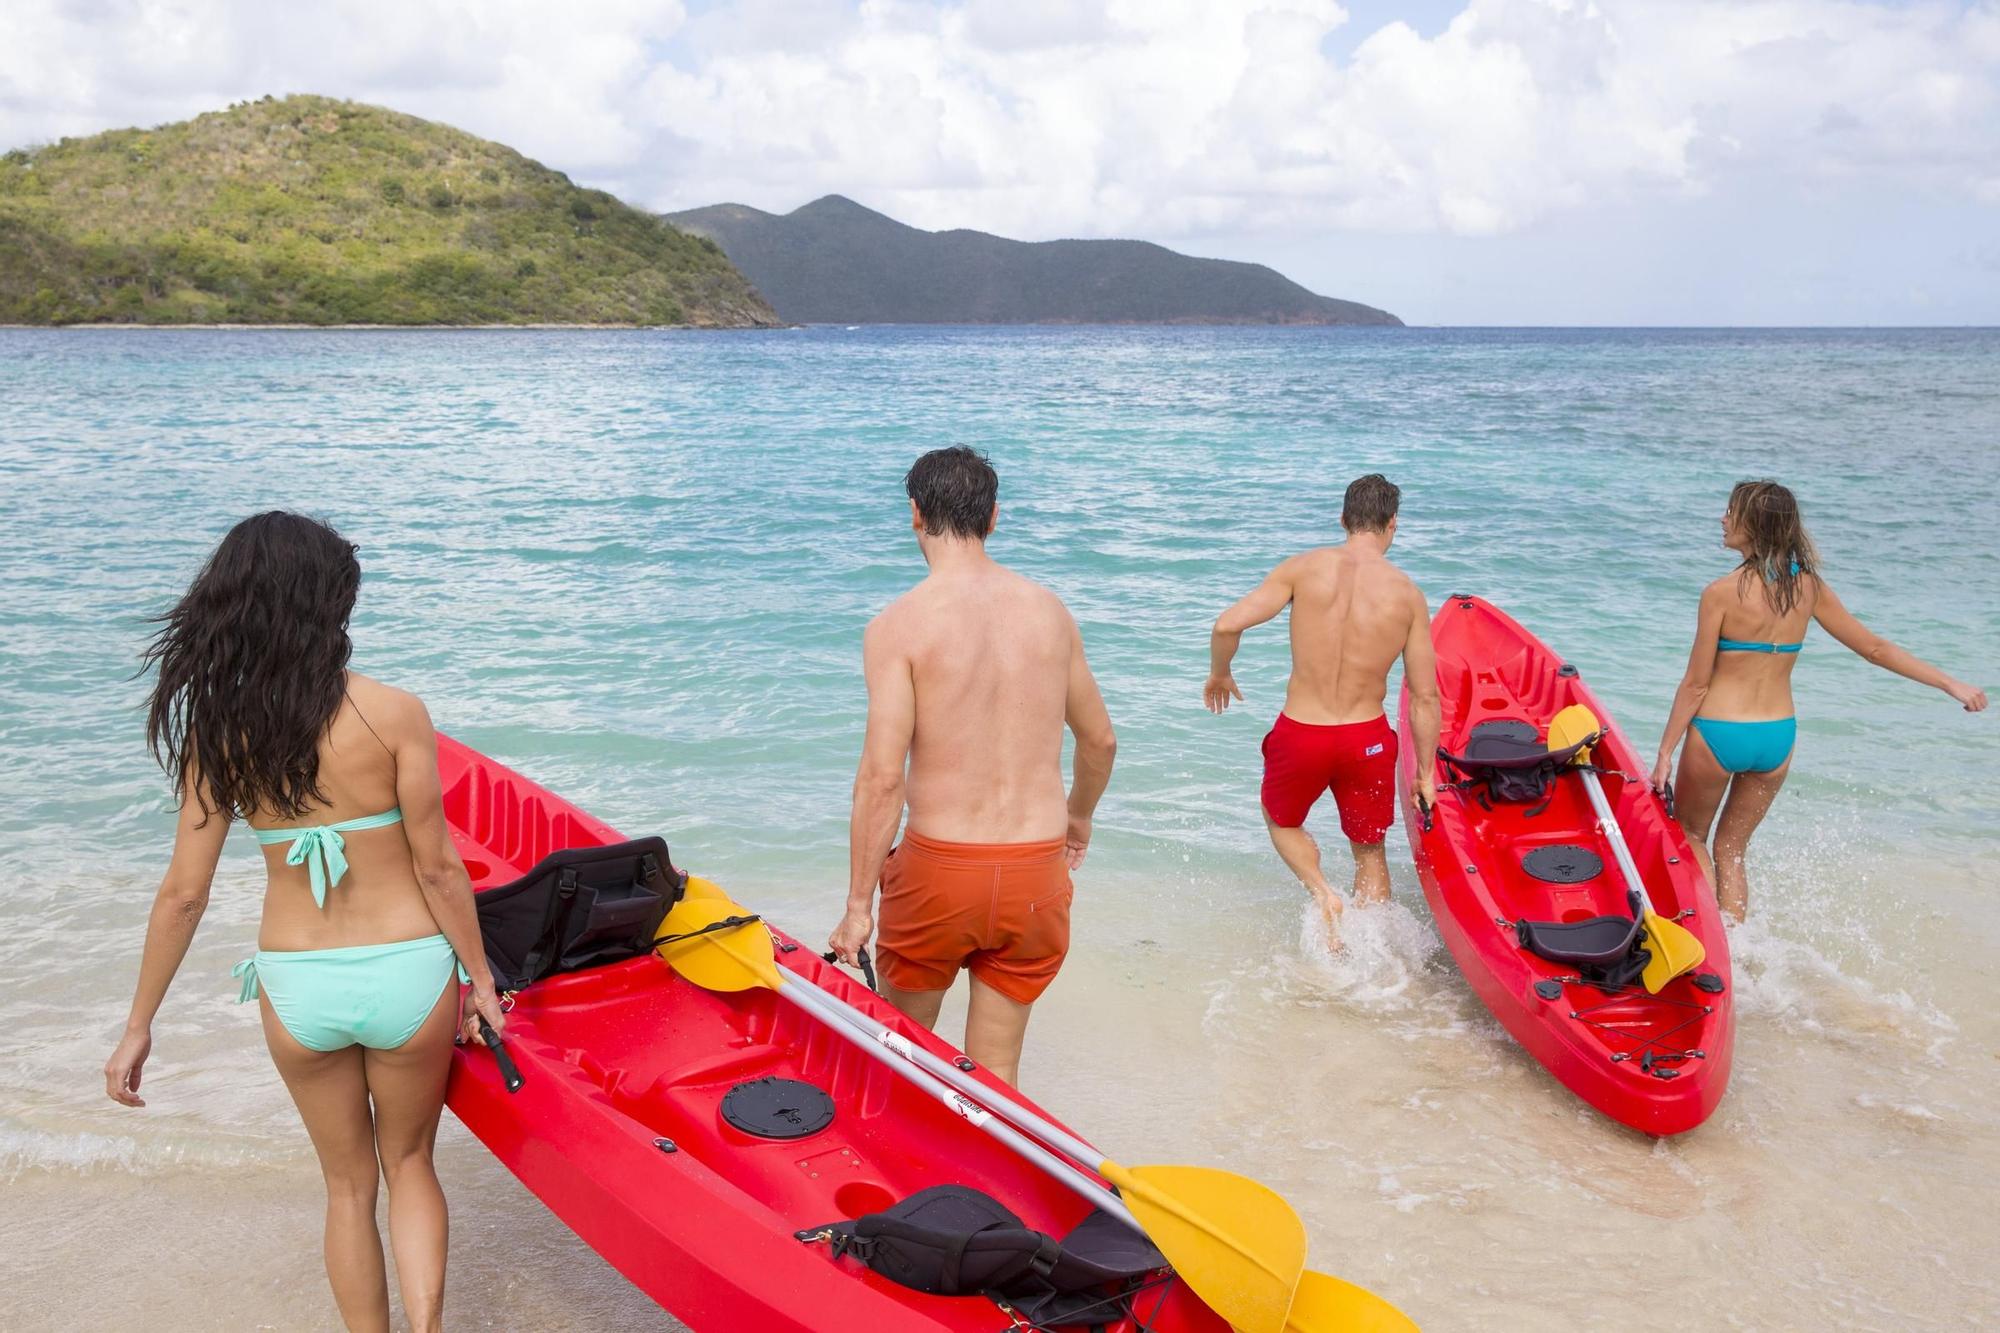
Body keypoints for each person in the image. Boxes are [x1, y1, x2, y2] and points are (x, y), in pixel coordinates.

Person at [102, 512, 506, 1333]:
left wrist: (138, 1024)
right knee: (410, 1163)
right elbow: (436, 867)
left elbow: (184, 892)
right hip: (408, 974)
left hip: (298, 987)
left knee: (348, 1187)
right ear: (327, 604)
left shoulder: (219, 735)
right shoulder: (395, 712)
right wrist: (485, 980)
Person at [827, 448, 1116, 1087]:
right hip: (1034, 877)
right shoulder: (1050, 613)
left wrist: (857, 907)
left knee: (904, 1063)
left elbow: (882, 777)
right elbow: (1100, 742)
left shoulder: (896, 628)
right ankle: (988, 1184)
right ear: (993, 518)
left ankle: (905, 1180)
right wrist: (1078, 819)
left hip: (938, 874)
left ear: (914, 516)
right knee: (996, 1077)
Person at [1651, 480, 1986, 922]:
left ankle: (1708, 948)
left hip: (1719, 731)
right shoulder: (1808, 588)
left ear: (1753, 524)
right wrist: (1950, 684)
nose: (1723, 519)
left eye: (1731, 511)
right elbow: (1875, 649)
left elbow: (1695, 684)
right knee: (1732, 850)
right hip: (1777, 738)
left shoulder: (1720, 593)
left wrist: (1664, 754)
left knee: (1691, 834)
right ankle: (1738, 948)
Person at [1203, 474, 1440, 945]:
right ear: (1392, 524)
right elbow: (1425, 695)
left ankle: (1322, 893)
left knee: (1281, 819)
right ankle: (1373, 952)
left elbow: (1228, 624)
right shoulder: (1408, 595)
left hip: (1303, 733)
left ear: (1343, 519)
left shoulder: (1302, 569)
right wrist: (1426, 773)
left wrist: (1220, 674)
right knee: (1370, 850)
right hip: (1366, 739)